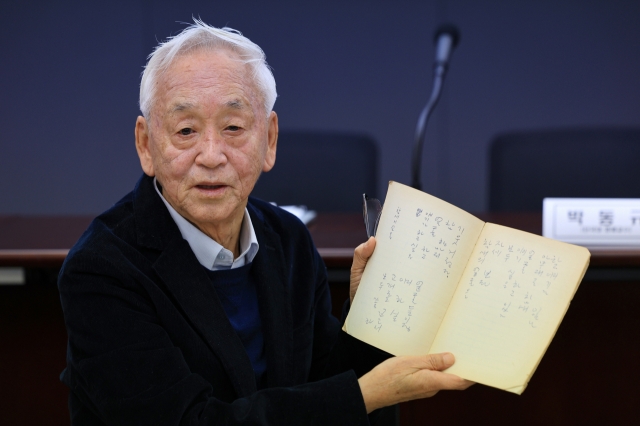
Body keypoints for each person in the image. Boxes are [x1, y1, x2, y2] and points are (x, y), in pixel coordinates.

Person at [58, 19, 472, 425]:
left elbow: (318, 383)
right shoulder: (101, 270)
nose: (211, 155)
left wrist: (368, 317)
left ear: (269, 140)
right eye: (186, 130)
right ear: (146, 145)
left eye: (233, 127)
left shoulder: (287, 240)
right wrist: (361, 396)